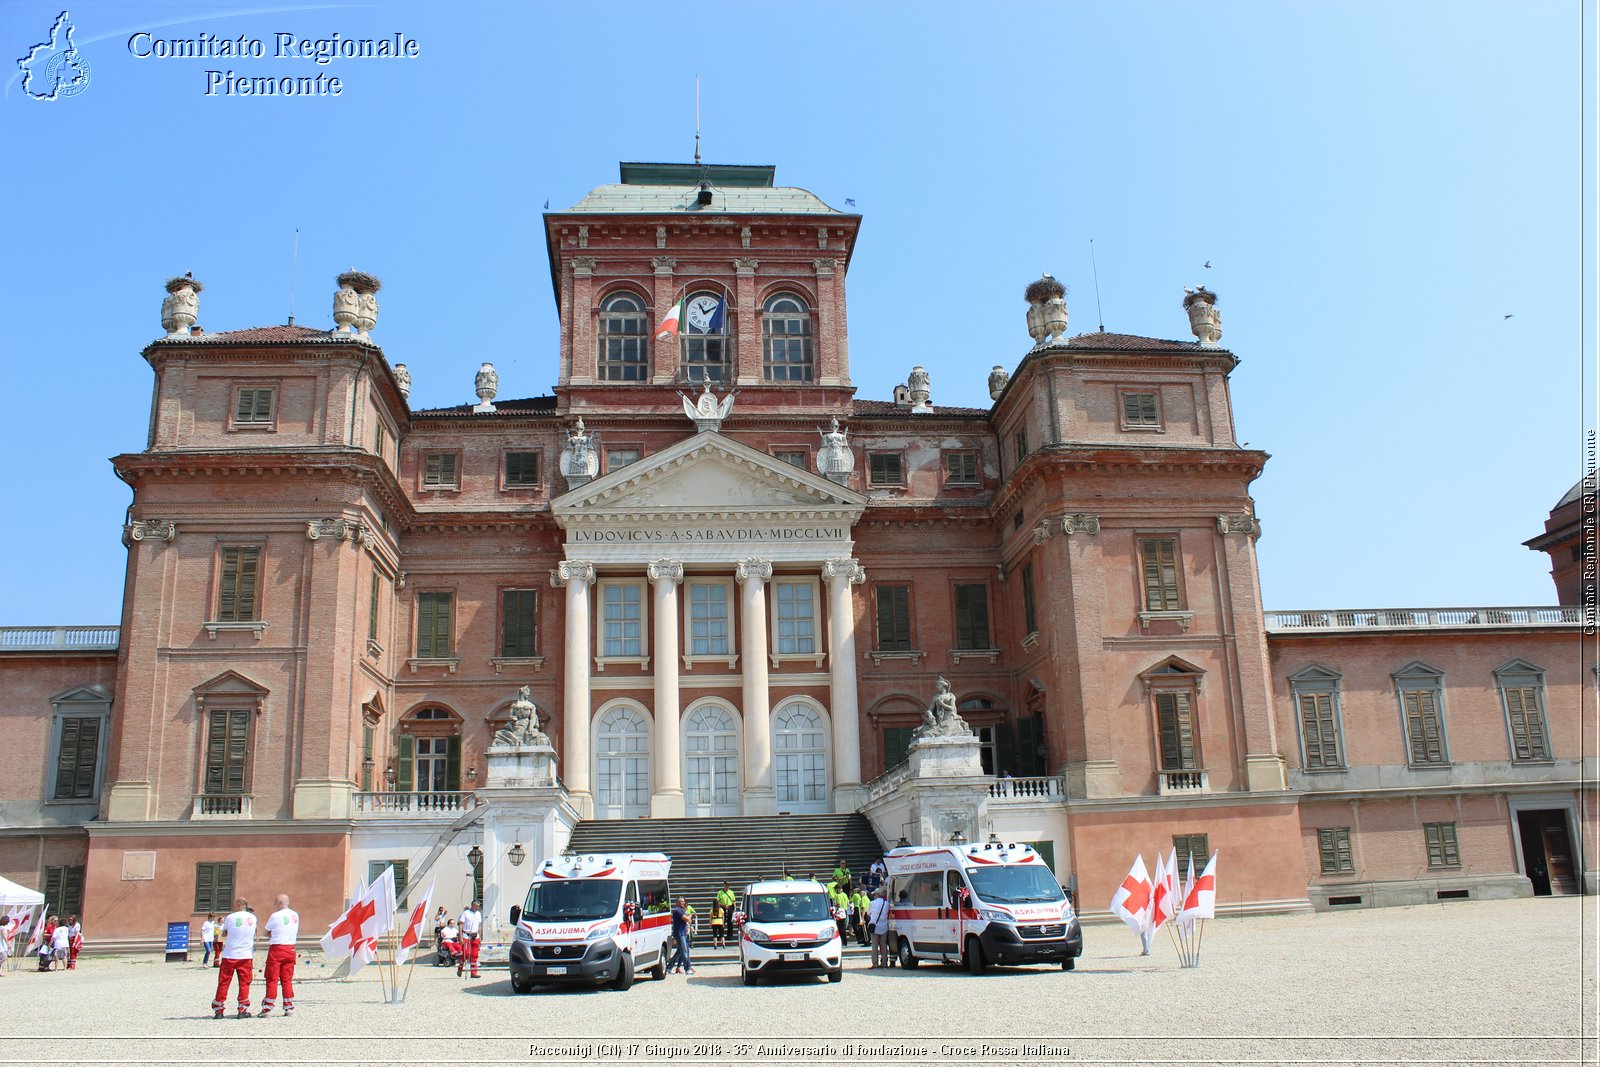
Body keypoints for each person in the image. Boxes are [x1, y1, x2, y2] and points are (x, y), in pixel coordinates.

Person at [211, 897, 258, 1019]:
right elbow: (254, 932)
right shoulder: (253, 918)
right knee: (244, 983)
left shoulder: (230, 917)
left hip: (230, 955)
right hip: (246, 955)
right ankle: (242, 1009)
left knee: (224, 983)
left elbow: (224, 932)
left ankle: (219, 1010)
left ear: (237, 906)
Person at [258, 894, 298, 1017]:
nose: (274, 906)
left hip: (277, 948)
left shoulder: (275, 916)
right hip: (291, 948)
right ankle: (289, 1006)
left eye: (275, 903)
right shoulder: (295, 915)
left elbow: (265, 932)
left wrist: (272, 934)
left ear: (280, 903)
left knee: (272, 978)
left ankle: (267, 1008)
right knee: (287, 979)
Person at [457, 900, 482, 978]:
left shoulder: (478, 914)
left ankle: (474, 972)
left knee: (475, 954)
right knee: (466, 953)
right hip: (466, 935)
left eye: (478, 906)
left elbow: (479, 926)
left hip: (475, 935)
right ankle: (460, 967)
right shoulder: (465, 913)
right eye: (476, 906)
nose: (478, 907)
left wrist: (480, 937)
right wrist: (460, 937)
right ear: (472, 905)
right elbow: (460, 925)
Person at [667, 897, 692, 974]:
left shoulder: (681, 910)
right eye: (681, 901)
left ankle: (669, 967)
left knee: (680, 952)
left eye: (683, 901)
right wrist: (690, 916)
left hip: (683, 932)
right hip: (679, 933)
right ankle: (687, 968)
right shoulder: (677, 910)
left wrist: (688, 918)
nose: (683, 903)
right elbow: (687, 919)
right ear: (677, 903)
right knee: (685, 951)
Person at [868, 888, 892, 968]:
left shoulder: (872, 903)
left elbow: (869, 913)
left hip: (874, 925)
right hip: (884, 926)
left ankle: (875, 963)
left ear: (877, 895)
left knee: (874, 945)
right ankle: (884, 962)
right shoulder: (887, 903)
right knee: (883, 945)